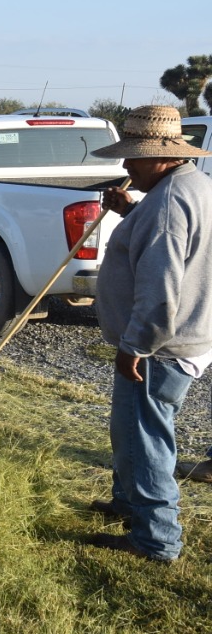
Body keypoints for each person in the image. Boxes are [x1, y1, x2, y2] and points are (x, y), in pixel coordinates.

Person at [86, 104, 212, 563]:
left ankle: (157, 540)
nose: (126, 165)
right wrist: (130, 212)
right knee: (130, 430)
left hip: (159, 348)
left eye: (134, 156)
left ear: (163, 155)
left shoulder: (168, 203)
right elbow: (171, 245)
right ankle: (128, 503)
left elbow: (160, 291)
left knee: (145, 439)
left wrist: (136, 345)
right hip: (179, 338)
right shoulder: (191, 185)